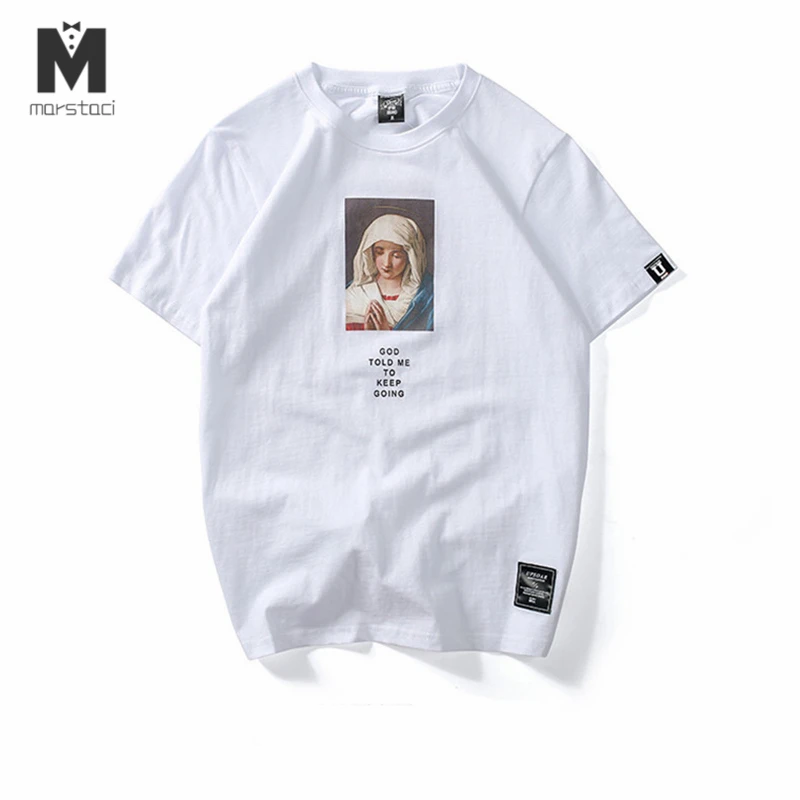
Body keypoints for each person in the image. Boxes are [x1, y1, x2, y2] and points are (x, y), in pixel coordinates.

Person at [345, 213, 433, 331]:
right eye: (379, 252)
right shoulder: (354, 293)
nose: (386, 263)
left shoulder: (424, 298)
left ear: (410, 257)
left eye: (396, 255)